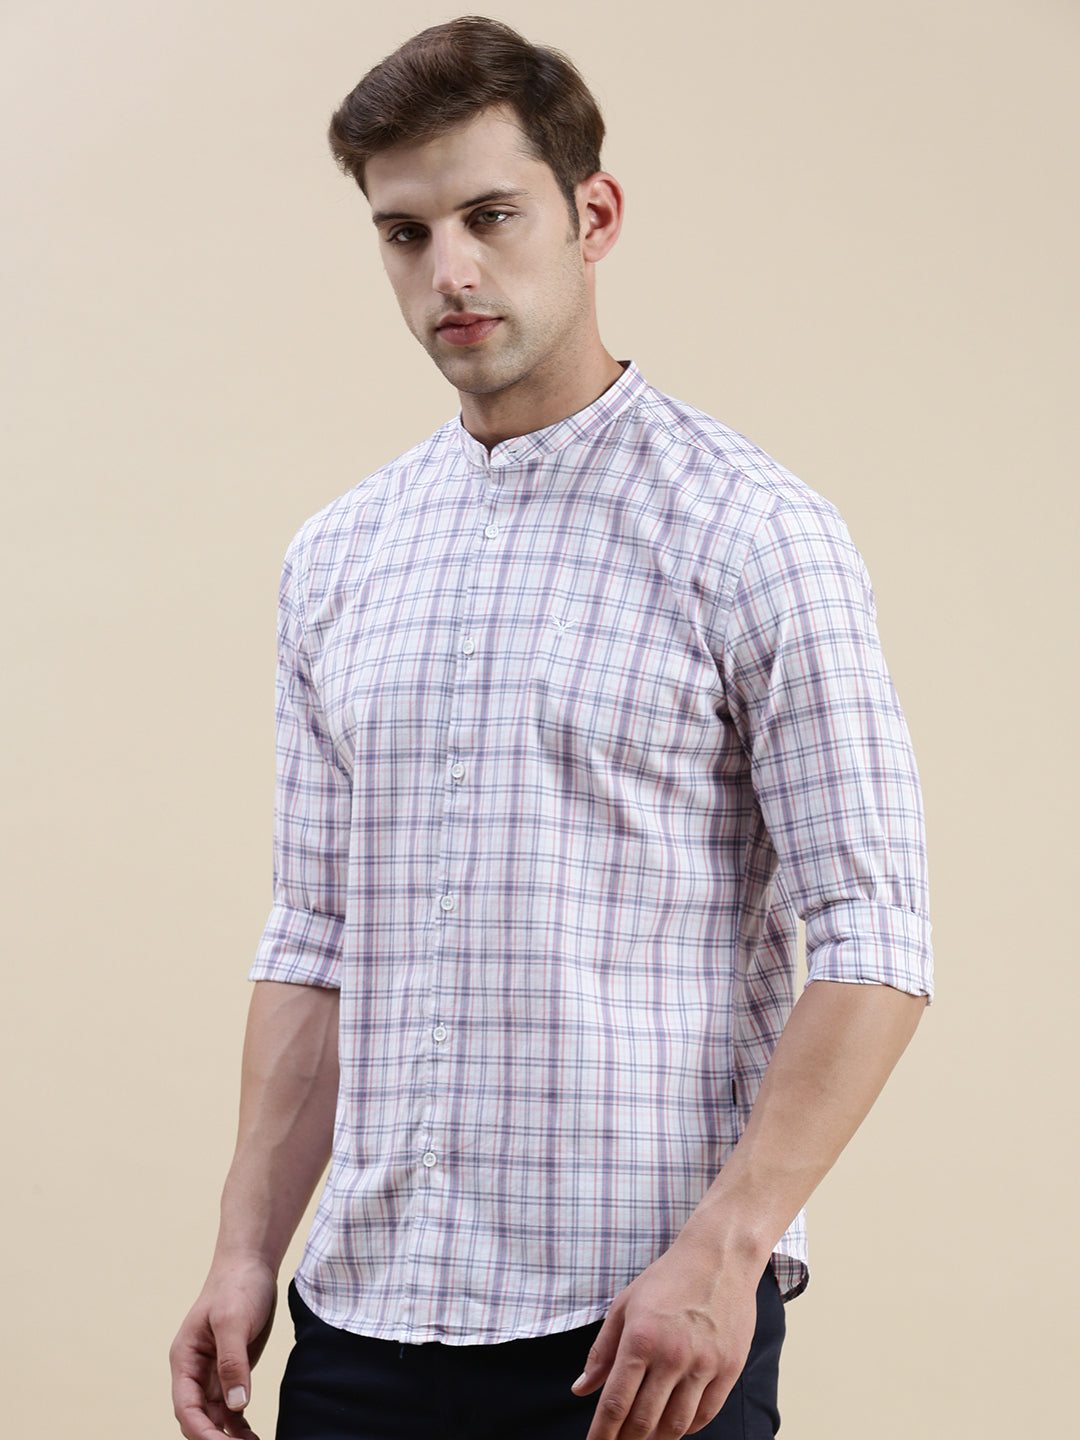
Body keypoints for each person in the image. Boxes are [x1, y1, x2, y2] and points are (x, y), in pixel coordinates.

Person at [170, 16, 933, 1440]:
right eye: (405, 234)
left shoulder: (752, 533)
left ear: (595, 216)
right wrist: (242, 1250)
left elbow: (876, 936)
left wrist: (727, 1251)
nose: (450, 272)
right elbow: (316, 937)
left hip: (639, 1331)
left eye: (490, 216)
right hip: (362, 1322)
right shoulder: (339, 557)